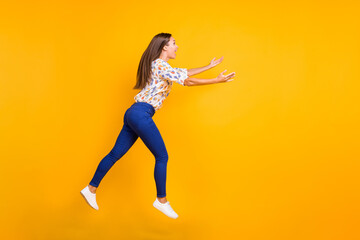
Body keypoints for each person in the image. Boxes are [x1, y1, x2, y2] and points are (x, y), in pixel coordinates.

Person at [80, 32, 236, 219]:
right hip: (141, 113)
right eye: (174, 43)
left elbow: (184, 75)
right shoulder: (160, 65)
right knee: (162, 156)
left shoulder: (161, 66)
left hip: (133, 112)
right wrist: (215, 80)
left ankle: (91, 188)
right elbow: (187, 80)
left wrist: (208, 67)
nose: (177, 46)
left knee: (115, 154)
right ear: (164, 47)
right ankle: (161, 201)